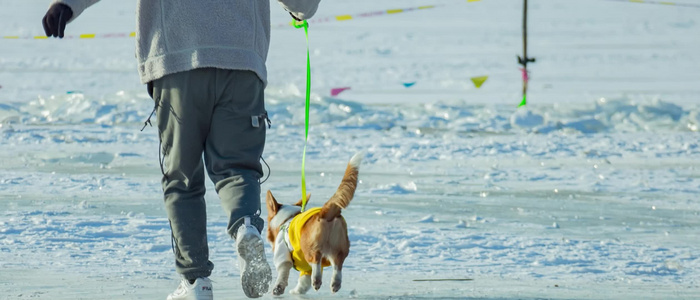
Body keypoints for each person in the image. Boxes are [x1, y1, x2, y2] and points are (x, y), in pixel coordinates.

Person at [42, 0, 321, 299]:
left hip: (176, 59)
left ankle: (195, 280)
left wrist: (67, 4)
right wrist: (301, 7)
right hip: (241, 62)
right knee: (238, 167)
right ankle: (247, 228)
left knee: (183, 177)